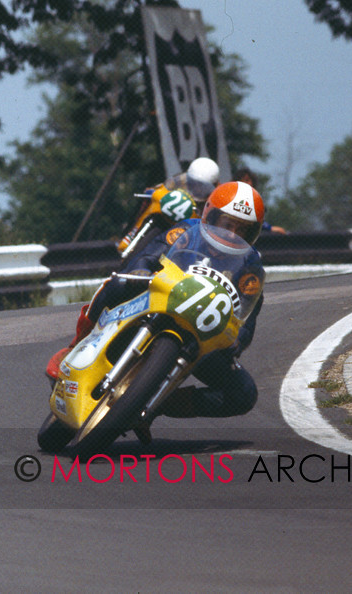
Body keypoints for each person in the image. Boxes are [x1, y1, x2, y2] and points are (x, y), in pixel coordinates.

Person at [47, 181, 266, 440]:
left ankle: (161, 401)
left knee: (244, 393)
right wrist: (141, 269)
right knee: (117, 284)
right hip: (157, 304)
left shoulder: (250, 268)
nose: (232, 233)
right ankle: (76, 345)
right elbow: (153, 252)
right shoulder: (187, 229)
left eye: (242, 230)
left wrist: (237, 342)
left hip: (204, 339)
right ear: (210, 214)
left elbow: (247, 320)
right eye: (227, 224)